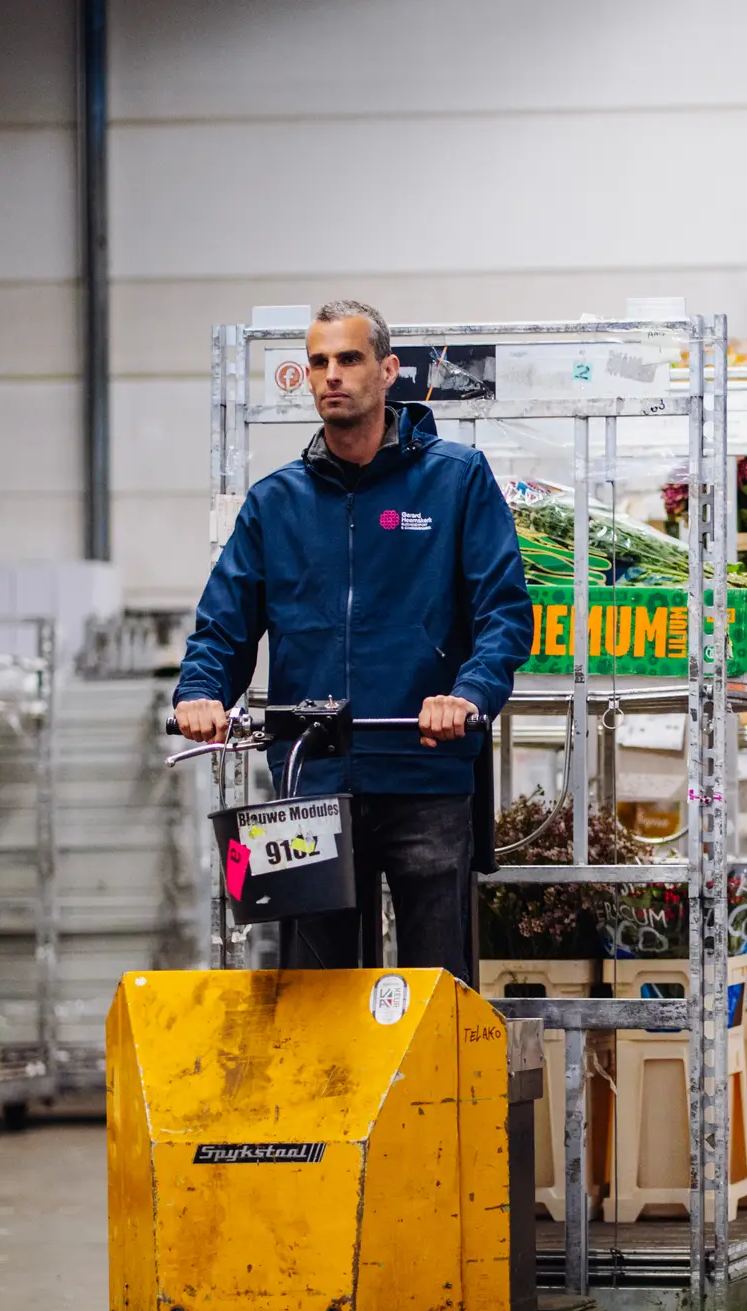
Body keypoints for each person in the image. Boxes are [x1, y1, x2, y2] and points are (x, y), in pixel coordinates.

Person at [174, 299, 531, 984]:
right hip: (311, 782)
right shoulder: (275, 503)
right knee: (313, 999)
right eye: (318, 362)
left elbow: (504, 613)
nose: (331, 374)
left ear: (388, 371)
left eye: (348, 358)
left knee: (436, 996)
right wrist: (200, 691)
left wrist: (468, 695)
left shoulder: (457, 480)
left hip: (426, 774)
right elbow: (223, 625)